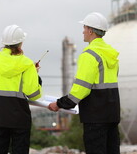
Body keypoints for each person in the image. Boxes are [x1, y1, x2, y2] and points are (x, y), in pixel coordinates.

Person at [48, 12, 120, 154]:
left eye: (84, 28)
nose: (83, 31)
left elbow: (81, 89)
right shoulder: (110, 54)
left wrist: (59, 104)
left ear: (91, 30)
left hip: (95, 117)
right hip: (112, 115)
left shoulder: (89, 55)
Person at [0, 24, 42, 154]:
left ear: (4, 43)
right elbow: (34, 94)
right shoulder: (27, 64)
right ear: (21, 43)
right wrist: (35, 75)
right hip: (20, 120)